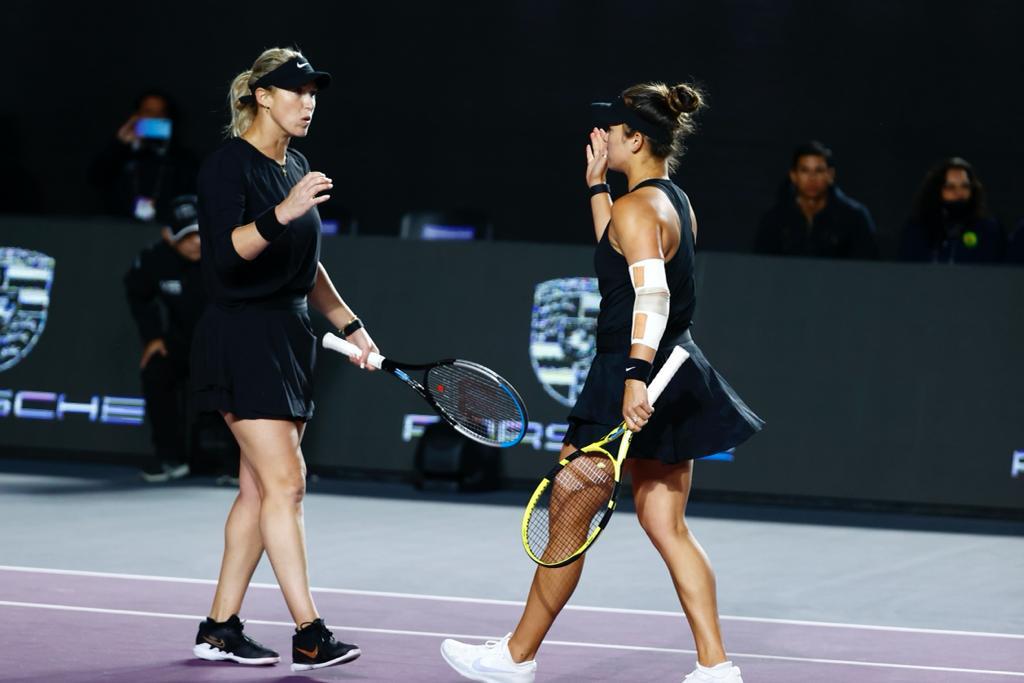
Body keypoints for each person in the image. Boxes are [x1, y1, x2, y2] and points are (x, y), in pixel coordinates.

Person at [441, 83, 764, 683]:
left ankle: (515, 657)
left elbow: (653, 296)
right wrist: (597, 185)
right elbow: (617, 255)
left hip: (630, 373)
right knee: (667, 525)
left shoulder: (640, 209)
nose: (600, 137)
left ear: (635, 138)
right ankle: (716, 668)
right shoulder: (668, 203)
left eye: (609, 132)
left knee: (567, 515)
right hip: (673, 372)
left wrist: (633, 379)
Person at [189, 47, 379, 672]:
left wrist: (352, 326)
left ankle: (219, 627)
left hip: (288, 338)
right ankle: (309, 631)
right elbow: (225, 255)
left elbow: (308, 266)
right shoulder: (227, 167)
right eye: (296, 91)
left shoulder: (293, 165)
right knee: (287, 485)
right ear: (261, 96)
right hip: (241, 337)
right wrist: (285, 209)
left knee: (257, 490)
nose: (308, 102)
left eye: (313, 93)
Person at [124, 194, 206, 482]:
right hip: (182, 340)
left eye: (200, 233)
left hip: (226, 343)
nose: (196, 242)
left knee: (242, 380)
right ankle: (170, 458)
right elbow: (137, 294)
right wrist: (153, 337)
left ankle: (236, 465)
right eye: (187, 236)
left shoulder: (228, 254)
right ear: (168, 236)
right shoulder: (154, 260)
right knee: (156, 369)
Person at [754, 141, 879, 259]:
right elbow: (760, 264)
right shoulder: (775, 218)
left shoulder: (854, 217)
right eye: (805, 170)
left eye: (818, 170)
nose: (811, 178)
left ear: (830, 175)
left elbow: (868, 265)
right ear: (794, 176)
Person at [90, 90, 198, 221]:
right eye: (148, 112)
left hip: (163, 228)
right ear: (136, 116)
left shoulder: (182, 159)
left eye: (160, 114)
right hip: (119, 227)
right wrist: (119, 144)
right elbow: (97, 178)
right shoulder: (121, 153)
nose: (154, 118)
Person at [898, 158, 1005, 264]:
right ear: (936, 191)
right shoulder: (918, 229)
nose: (959, 193)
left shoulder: (988, 229)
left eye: (965, 186)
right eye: (950, 187)